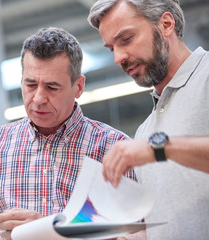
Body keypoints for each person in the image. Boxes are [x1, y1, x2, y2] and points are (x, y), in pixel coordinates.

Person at [0, 27, 136, 239]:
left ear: (78, 86)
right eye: (31, 84)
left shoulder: (114, 148)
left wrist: (52, 232)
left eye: (52, 87)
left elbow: (138, 234)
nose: (39, 98)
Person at [88, 0, 209, 239]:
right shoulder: (145, 131)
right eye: (111, 48)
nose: (118, 57)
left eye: (126, 39)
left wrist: (160, 148)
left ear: (165, 24)